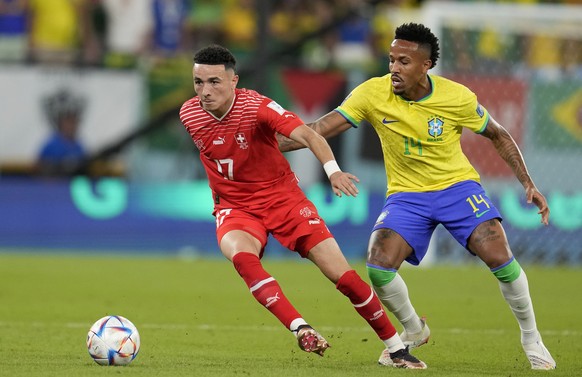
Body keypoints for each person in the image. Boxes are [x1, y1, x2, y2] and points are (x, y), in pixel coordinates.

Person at [277, 23, 556, 370]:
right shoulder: (372, 93)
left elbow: (497, 135)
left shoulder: (457, 97)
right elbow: (317, 129)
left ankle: (531, 337)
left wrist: (528, 183)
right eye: (391, 59)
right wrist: (264, 145)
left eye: (404, 62)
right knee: (378, 265)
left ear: (426, 66)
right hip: (407, 195)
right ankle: (413, 329)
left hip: (457, 187)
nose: (394, 68)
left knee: (498, 255)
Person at [178, 44, 426, 369]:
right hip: (235, 207)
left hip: (284, 201)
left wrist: (333, 172)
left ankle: (396, 349)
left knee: (344, 278)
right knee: (242, 257)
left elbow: (310, 136)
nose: (205, 91)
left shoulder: (258, 107)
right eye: (198, 82)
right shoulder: (189, 113)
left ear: (234, 81)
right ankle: (301, 328)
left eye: (214, 82)